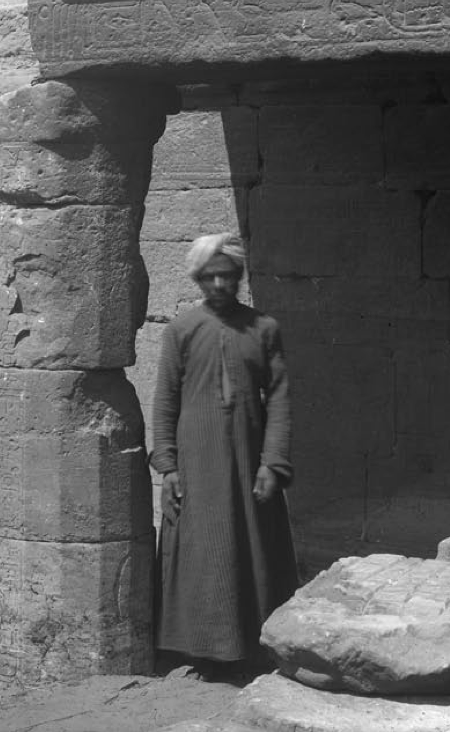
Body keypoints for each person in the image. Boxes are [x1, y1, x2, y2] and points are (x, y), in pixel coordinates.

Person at [151, 232, 297, 675]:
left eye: (227, 276)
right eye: (210, 277)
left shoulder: (263, 328)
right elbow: (165, 401)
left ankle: (253, 648)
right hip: (197, 461)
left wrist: (273, 462)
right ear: (198, 279)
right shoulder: (181, 331)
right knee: (202, 546)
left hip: (248, 458)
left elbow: (280, 397)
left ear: (238, 277)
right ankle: (199, 649)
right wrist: (168, 466)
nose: (219, 285)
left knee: (251, 545)